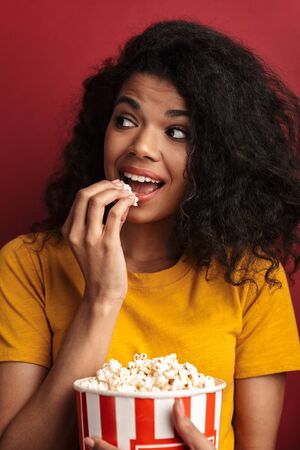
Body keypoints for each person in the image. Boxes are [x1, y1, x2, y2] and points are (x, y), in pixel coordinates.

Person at [0, 19, 300, 450]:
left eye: (177, 132)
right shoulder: (28, 264)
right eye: (125, 120)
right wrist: (101, 299)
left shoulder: (253, 280)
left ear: (219, 158)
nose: (141, 146)